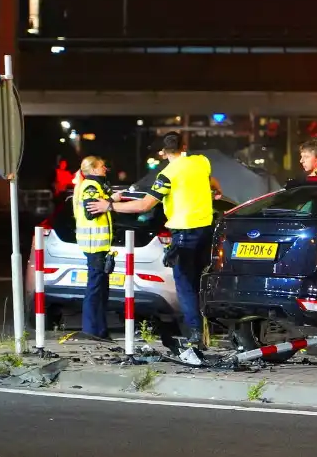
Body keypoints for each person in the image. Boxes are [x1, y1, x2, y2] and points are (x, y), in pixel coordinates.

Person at [88, 133, 220, 346]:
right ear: (184, 146)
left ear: (163, 152)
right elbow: (210, 179)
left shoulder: (167, 175)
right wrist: (216, 190)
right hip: (206, 230)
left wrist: (108, 206)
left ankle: (196, 334)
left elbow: (144, 206)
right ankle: (208, 329)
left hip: (184, 234)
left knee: (185, 284)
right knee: (201, 282)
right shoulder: (200, 162)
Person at [73, 156, 115, 339]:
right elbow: (91, 212)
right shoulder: (91, 186)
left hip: (97, 245)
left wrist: (110, 198)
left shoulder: (93, 185)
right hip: (94, 245)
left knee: (101, 289)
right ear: (94, 170)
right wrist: (111, 202)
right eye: (102, 166)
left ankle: (99, 330)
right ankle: (91, 330)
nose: (105, 168)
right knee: (95, 288)